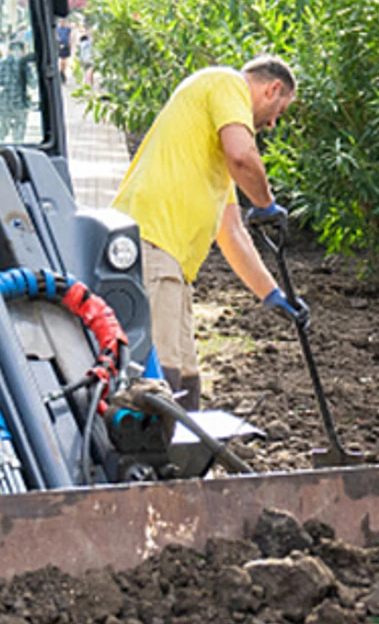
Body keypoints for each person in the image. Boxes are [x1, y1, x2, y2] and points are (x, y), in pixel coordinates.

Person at [111, 57, 302, 409]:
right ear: (272, 88)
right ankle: (144, 460)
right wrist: (265, 203)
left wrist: (273, 295)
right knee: (159, 382)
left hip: (174, 263)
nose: (273, 123)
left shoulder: (213, 150)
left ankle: (182, 462)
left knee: (186, 382)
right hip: (153, 242)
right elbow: (244, 156)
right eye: (280, 110)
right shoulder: (226, 83)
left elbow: (231, 233)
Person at [0, 34, 35, 143]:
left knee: (2, 128)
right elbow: (33, 84)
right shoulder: (25, 65)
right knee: (19, 131)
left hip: (1, 102)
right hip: (19, 103)